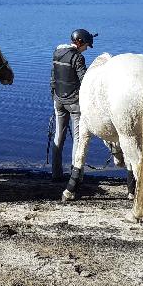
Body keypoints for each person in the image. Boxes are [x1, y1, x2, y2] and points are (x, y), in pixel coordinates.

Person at [50, 28, 96, 181]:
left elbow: (53, 78)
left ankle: (56, 174)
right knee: (78, 139)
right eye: (86, 46)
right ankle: (75, 175)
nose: (86, 49)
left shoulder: (57, 53)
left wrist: (54, 97)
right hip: (74, 103)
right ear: (80, 42)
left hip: (58, 100)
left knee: (59, 136)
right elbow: (84, 81)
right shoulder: (77, 58)